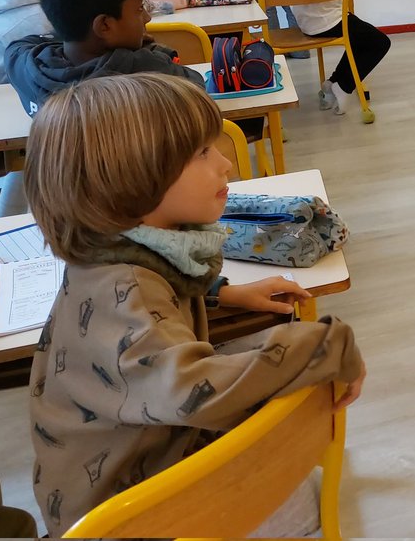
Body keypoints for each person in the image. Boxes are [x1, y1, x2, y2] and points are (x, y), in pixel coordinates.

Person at [24, 72, 365, 537]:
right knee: (300, 504)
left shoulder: (113, 247)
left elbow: (154, 283)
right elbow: (189, 389)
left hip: (135, 454)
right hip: (124, 512)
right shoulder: (125, 296)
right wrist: (329, 346)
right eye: (202, 153)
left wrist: (221, 290)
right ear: (132, 180)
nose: (225, 163)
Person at [4, 0, 202, 116]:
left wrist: (71, 27)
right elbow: (197, 86)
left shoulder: (22, 63)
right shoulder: (147, 69)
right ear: (104, 26)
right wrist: (149, 50)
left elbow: (22, 44)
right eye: (139, 8)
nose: (147, 18)